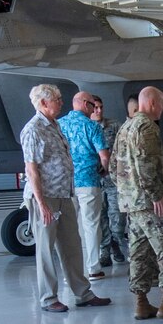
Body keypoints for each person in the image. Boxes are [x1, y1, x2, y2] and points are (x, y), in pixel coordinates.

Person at [21, 84, 113, 313]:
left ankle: (82, 293)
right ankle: (48, 298)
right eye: (57, 99)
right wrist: (42, 204)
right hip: (46, 198)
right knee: (45, 249)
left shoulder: (55, 125)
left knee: (72, 245)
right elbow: (31, 170)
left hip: (65, 193)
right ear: (43, 103)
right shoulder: (33, 129)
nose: (62, 102)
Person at [110, 86, 163, 321]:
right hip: (151, 203)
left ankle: (141, 303)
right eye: (162, 104)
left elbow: (112, 167)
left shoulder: (125, 127)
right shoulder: (147, 127)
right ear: (151, 103)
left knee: (139, 252)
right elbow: (145, 164)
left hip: (132, 205)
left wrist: (129, 193)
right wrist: (155, 195)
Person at [58, 91, 112, 280]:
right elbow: (104, 156)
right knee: (91, 226)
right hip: (89, 181)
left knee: (69, 229)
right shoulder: (92, 126)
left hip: (66, 184)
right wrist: (104, 170)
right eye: (91, 105)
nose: (93, 110)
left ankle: (70, 271)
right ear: (83, 104)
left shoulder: (59, 125)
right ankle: (93, 269)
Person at [97, 96, 130, 272]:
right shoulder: (87, 128)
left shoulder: (114, 126)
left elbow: (123, 149)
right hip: (95, 181)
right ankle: (105, 251)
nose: (99, 111)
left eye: (101, 107)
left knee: (117, 218)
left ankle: (115, 242)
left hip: (113, 180)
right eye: (95, 108)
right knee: (100, 217)